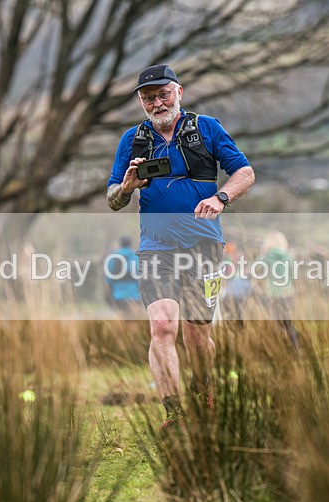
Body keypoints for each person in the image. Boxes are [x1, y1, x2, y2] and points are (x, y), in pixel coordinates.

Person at [106, 64, 255, 431]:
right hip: (155, 247)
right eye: (148, 98)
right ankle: (174, 414)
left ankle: (203, 388)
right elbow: (112, 199)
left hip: (204, 246)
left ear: (179, 93)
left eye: (162, 95)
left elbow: (245, 172)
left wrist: (221, 198)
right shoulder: (132, 140)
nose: (156, 103)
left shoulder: (207, 128)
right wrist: (127, 187)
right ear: (141, 102)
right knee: (161, 326)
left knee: (197, 335)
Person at [259, 231, 300, 353]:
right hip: (287, 294)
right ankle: (295, 348)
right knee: (288, 322)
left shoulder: (265, 257)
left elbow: (257, 270)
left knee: (277, 324)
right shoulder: (289, 256)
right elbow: (293, 276)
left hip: (272, 295)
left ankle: (280, 351)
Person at [104, 236, 142, 313]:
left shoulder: (113, 257)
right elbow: (141, 275)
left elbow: (108, 279)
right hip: (135, 296)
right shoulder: (136, 256)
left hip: (118, 296)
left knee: (121, 321)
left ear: (120, 244)